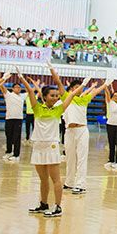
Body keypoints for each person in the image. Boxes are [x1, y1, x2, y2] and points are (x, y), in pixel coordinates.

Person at [21, 74, 93, 218]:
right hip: (38, 147)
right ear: (45, 97)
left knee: (56, 179)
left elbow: (72, 94)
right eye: (52, 95)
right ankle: (43, 203)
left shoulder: (59, 109)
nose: (55, 98)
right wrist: (22, 78)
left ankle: (58, 206)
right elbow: (30, 91)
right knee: (43, 179)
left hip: (52, 147)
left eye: (56, 95)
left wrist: (84, 83)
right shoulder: (37, 108)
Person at [1, 82, 25, 162]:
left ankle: (16, 155)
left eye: (19, 87)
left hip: (18, 119)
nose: (18, 88)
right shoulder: (9, 94)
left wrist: (37, 84)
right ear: (13, 88)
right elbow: (2, 88)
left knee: (17, 137)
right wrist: (0, 79)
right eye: (16, 87)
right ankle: (9, 152)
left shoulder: (22, 96)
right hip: (9, 118)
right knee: (8, 136)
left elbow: (31, 91)